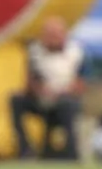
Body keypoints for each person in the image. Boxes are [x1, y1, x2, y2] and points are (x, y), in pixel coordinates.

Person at [9, 16, 87, 160]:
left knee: (67, 105)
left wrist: (65, 91)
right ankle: (25, 149)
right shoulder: (34, 52)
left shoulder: (76, 53)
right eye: (49, 35)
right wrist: (40, 91)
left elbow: (80, 83)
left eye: (56, 35)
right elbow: (30, 80)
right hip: (41, 96)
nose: (52, 39)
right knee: (16, 100)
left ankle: (71, 153)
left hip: (65, 98)